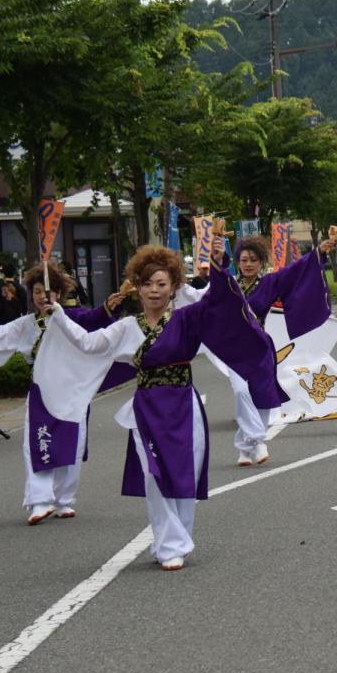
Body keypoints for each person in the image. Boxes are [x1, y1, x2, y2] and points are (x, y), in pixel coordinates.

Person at [41, 241, 280, 570]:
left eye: (161, 284)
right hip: (147, 410)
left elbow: (218, 301)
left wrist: (219, 266)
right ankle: (169, 545)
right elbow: (87, 343)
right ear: (137, 288)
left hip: (184, 405)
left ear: (173, 288)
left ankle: (178, 537)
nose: (154, 291)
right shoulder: (125, 328)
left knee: (185, 473)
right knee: (155, 476)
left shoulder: (187, 319)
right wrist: (58, 315)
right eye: (147, 284)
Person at [0, 263, 124, 525]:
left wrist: (108, 306)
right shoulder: (26, 324)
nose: (42, 297)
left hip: (72, 391)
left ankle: (63, 500)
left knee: (73, 442)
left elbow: (95, 319)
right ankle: (39, 500)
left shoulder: (70, 317)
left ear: (57, 293)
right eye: (37, 291)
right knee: (37, 442)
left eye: (47, 291)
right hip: (42, 389)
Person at [227, 233, 337, 466]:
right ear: (238, 261)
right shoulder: (229, 285)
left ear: (260, 263)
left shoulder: (269, 282)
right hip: (234, 347)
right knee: (241, 392)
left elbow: (296, 270)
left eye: (253, 260)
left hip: (259, 345)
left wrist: (320, 251)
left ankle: (246, 448)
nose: (248, 264)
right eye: (244, 259)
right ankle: (256, 441)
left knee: (262, 396)